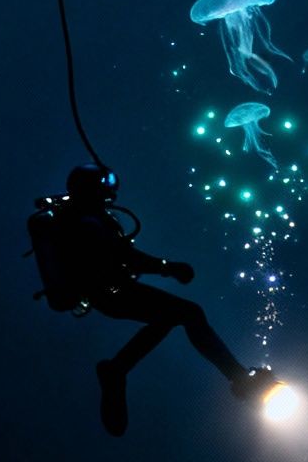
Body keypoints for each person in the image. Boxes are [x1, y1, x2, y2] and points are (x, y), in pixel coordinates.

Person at [30, 163, 278, 436]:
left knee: (172, 317)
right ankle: (238, 378)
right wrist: (168, 268)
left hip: (106, 292)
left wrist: (164, 268)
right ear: (94, 189)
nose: (110, 195)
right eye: (104, 188)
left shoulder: (82, 218)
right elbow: (125, 258)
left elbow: (121, 257)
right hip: (111, 291)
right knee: (189, 313)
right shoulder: (88, 222)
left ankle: (117, 370)